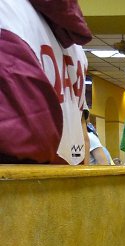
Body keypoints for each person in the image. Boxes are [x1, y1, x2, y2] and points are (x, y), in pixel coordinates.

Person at [0, 0, 91, 164]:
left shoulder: (6, 13)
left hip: (20, 173)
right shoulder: (76, 48)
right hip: (65, 171)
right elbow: (82, 130)